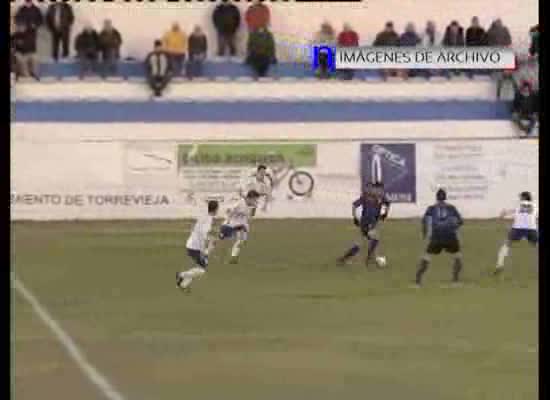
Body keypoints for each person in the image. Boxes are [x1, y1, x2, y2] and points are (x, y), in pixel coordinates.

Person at [415, 189, 464, 286]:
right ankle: (455, 280)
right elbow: (460, 221)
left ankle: (418, 280)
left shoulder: (431, 208)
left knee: (426, 257)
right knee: (457, 257)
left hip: (436, 237)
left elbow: (424, 221)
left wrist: (425, 234)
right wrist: (454, 227)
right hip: (450, 236)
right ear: (445, 198)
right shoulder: (451, 208)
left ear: (436, 198)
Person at [337, 182, 391, 267]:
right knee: (375, 238)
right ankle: (369, 258)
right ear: (374, 189)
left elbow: (388, 203)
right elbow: (354, 205)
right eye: (379, 189)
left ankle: (344, 258)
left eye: (382, 190)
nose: (381, 191)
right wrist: (354, 217)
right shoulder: (366, 197)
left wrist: (385, 213)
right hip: (366, 222)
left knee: (361, 243)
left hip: (372, 222)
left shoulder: (382, 197)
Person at [176, 200, 219, 291]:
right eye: (217, 209)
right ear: (215, 209)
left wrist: (210, 240)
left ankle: (183, 285)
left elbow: (197, 230)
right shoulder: (208, 220)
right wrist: (204, 249)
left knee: (200, 267)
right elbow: (202, 235)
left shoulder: (205, 216)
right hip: (195, 247)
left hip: (192, 245)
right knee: (202, 270)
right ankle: (181, 275)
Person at [494, 192, 538, 275]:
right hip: (531, 228)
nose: (519, 198)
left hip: (517, 228)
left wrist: (502, 215)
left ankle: (499, 264)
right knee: (536, 247)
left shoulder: (518, 204)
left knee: (506, 244)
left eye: (520, 197)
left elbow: (506, 212)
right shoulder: (535, 205)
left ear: (524, 197)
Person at [218, 190, 261, 264]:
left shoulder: (253, 205)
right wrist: (227, 221)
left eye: (256, 200)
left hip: (242, 224)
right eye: (255, 199)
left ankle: (233, 258)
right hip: (232, 223)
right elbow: (229, 211)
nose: (256, 201)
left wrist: (253, 210)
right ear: (250, 198)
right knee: (224, 237)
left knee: (242, 241)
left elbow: (251, 217)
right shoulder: (239, 203)